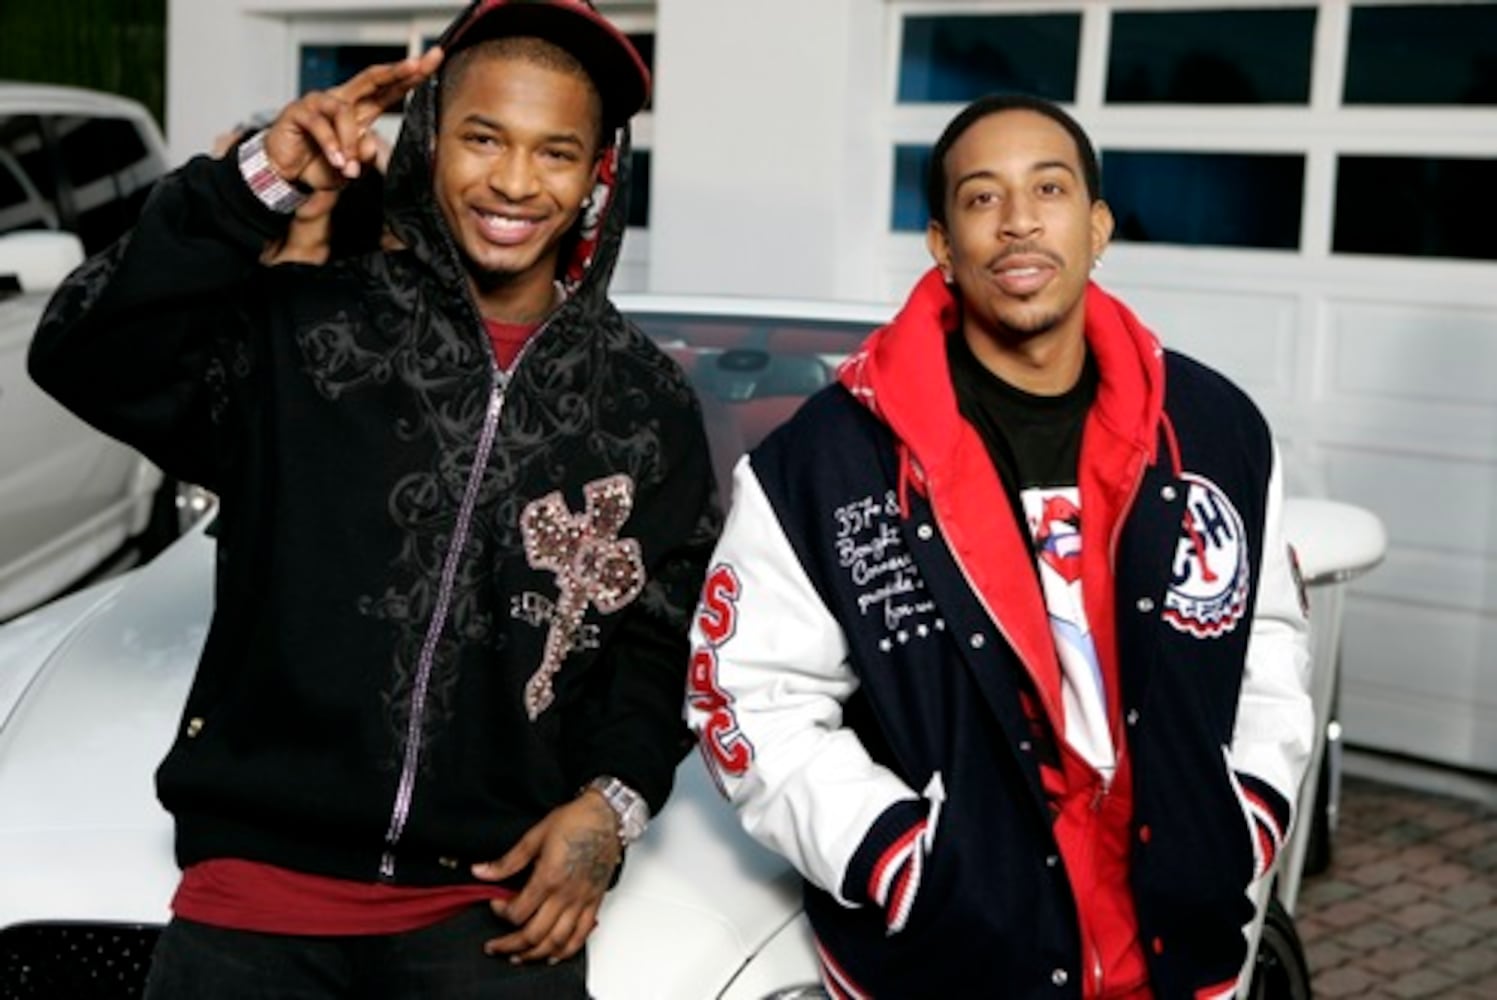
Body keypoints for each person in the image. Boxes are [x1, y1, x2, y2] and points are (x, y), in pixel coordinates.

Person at [29, 0, 718, 996]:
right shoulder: (304, 333)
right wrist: (253, 183)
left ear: (597, 174)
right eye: (484, 137)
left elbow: (657, 641)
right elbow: (86, 354)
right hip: (253, 909)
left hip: (494, 918)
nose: (515, 181)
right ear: (431, 142)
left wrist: (613, 805)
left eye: (555, 152)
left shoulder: (644, 404)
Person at [685, 94, 1313, 998]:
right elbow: (748, 694)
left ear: (1097, 226)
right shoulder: (827, 461)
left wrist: (1243, 813)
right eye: (982, 197)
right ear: (943, 246)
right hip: (952, 959)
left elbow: (1266, 639)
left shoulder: (1215, 431)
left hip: (1178, 950)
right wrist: (898, 861)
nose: (1018, 220)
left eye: (1048, 189)